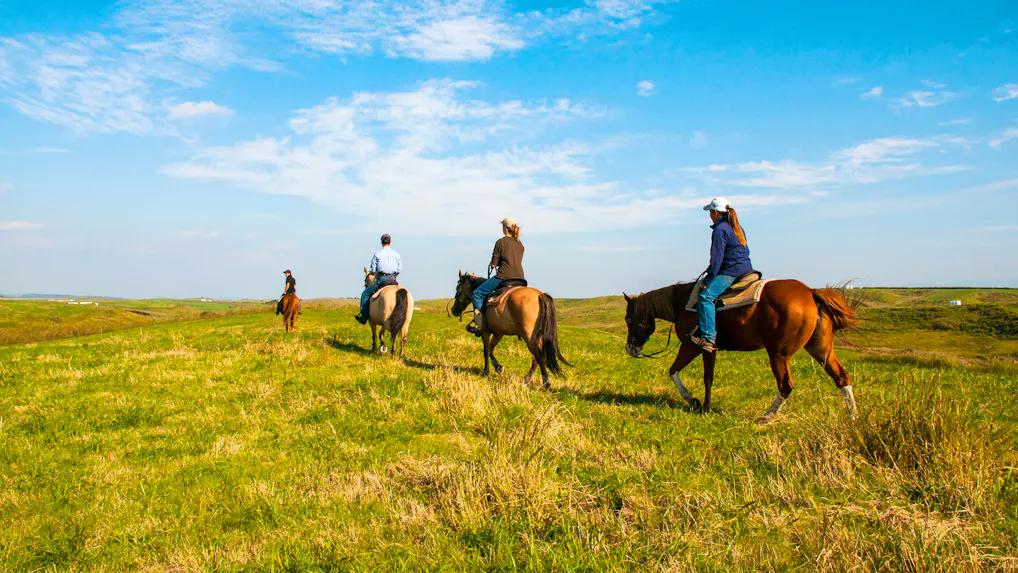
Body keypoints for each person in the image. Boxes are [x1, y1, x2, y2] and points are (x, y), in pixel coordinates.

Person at [688, 197, 754, 353]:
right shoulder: (736, 227)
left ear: (715, 212)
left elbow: (717, 258)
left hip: (731, 271)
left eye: (710, 212)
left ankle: (708, 338)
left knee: (705, 297)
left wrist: (709, 277)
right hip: (746, 268)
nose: (710, 215)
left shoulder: (720, 230)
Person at [466, 217, 525, 336]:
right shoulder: (520, 244)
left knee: (477, 294)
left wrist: (493, 265)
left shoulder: (500, 242)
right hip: (520, 278)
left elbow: (494, 263)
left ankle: (479, 325)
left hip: (504, 276)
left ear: (504, 228)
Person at [355, 234, 402, 324]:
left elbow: (373, 270)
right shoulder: (396, 254)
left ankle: (363, 317)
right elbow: (399, 269)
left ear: (381, 242)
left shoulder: (378, 254)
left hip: (382, 279)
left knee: (365, 294)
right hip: (393, 280)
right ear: (390, 241)